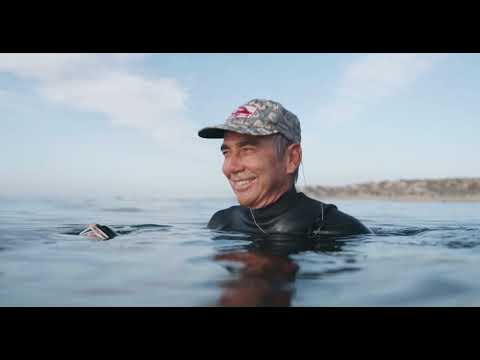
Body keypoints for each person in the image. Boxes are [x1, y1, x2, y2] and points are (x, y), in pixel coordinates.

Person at [198, 99, 370, 237]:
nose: (230, 167)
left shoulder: (338, 231)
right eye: (226, 153)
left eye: (247, 150)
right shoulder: (221, 223)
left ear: (291, 158)